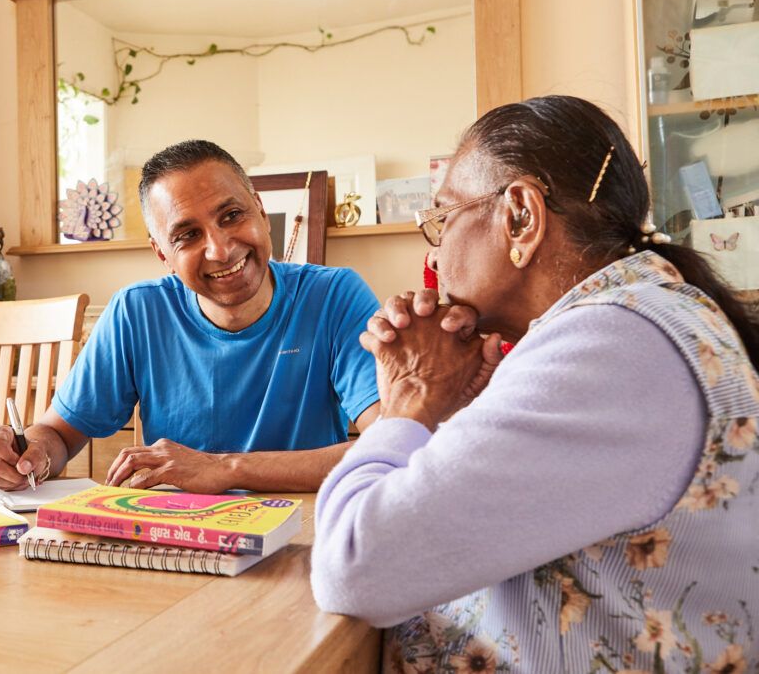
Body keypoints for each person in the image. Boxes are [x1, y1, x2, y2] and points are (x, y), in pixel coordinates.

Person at [310, 95, 759, 673]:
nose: (437, 251)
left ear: (520, 214)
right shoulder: (632, 317)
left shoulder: (610, 345)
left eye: (444, 218)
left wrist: (410, 401)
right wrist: (464, 408)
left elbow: (354, 568)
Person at [0, 140, 397, 494]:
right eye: (187, 235)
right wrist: (29, 454)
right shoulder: (136, 312)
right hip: (176, 542)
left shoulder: (335, 296)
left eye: (232, 216)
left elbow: (388, 445)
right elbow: (57, 434)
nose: (220, 249)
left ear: (259, 208)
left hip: (302, 537)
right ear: (162, 253)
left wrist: (224, 469)